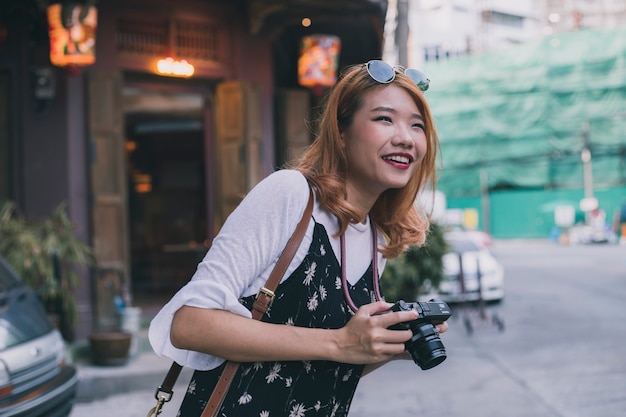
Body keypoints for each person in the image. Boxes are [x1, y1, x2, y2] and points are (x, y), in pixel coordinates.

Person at [149, 60, 448, 417]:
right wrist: (339, 342)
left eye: (417, 125)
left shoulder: (373, 237)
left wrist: (378, 345)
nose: (405, 137)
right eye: (384, 119)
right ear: (340, 133)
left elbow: (320, 365)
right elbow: (188, 324)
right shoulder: (291, 193)